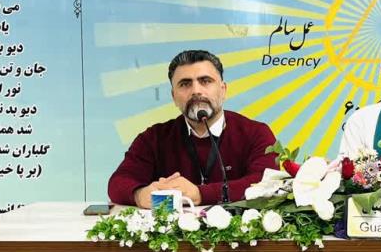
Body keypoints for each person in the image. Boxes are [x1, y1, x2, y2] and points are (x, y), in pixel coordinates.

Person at [108, 49, 277, 207]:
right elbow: (118, 182)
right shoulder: (154, 138)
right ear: (174, 97)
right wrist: (140, 195)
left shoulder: (256, 133)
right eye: (185, 84)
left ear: (223, 90)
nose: (196, 90)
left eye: (205, 81)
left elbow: (268, 183)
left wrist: (200, 193)